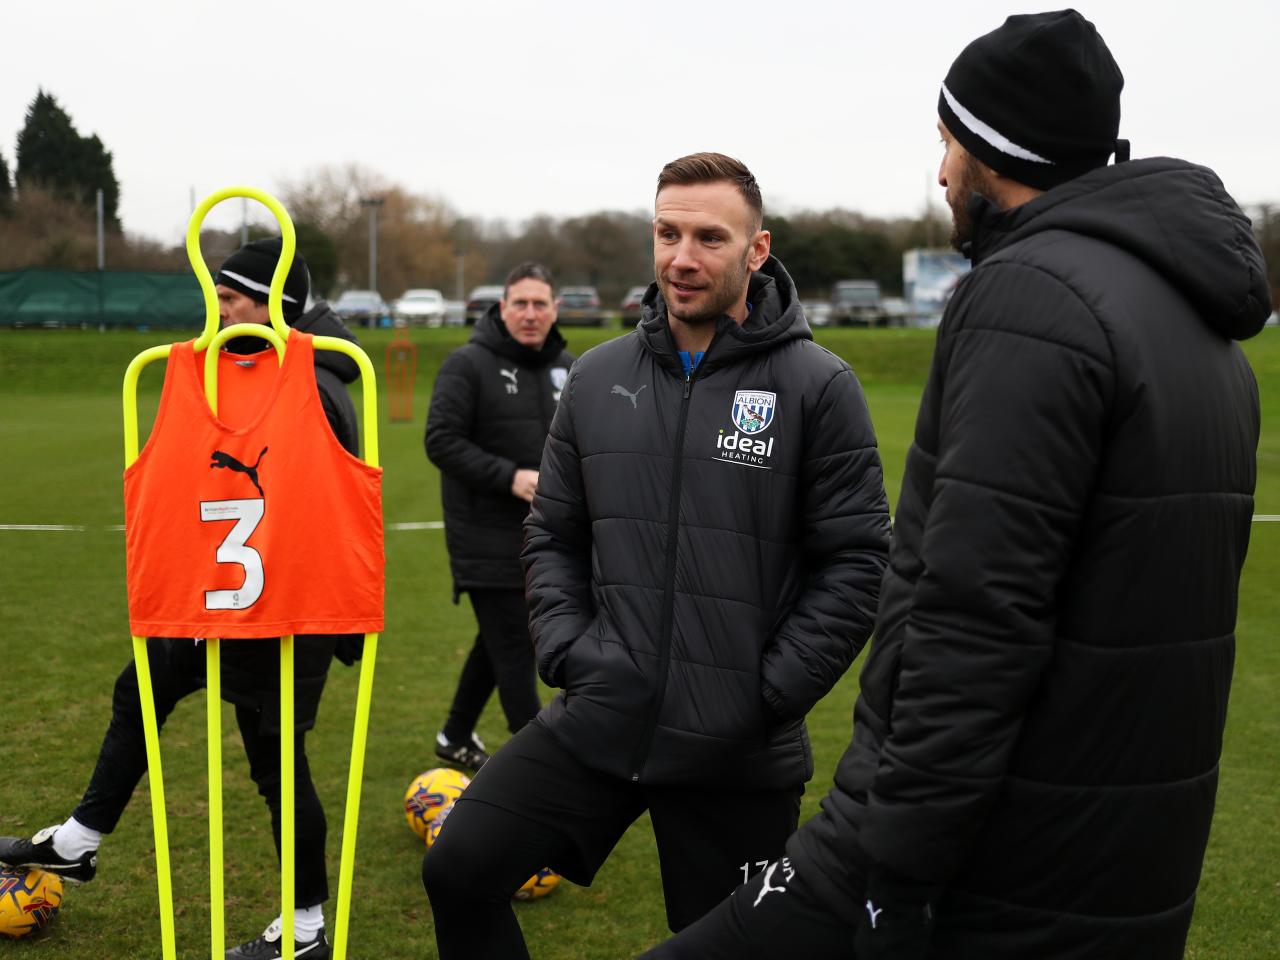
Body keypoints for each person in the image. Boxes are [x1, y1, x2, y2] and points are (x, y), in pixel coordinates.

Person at [641, 11, 1272, 960]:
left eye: (947, 142)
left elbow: (974, 619)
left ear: (993, 149)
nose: (941, 173)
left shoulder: (1032, 296)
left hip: (998, 854)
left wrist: (897, 873)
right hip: (1129, 854)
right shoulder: (1201, 323)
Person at [422, 152, 891, 959]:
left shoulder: (818, 385)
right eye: (668, 233)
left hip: (734, 745)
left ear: (757, 249)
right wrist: (569, 649)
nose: (682, 257)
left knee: (728, 948)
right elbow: (553, 532)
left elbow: (857, 562)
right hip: (603, 711)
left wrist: (765, 691)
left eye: (710, 237)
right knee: (458, 869)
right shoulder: (597, 377)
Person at [0, 238, 368, 960]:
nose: (218, 311)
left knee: (276, 765)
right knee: (144, 682)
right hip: (230, 599)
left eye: (231, 299)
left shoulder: (316, 382)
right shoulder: (255, 368)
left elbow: (306, 507)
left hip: (280, 610)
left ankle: (305, 929)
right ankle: (80, 839)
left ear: (274, 305)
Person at [425, 261, 575, 771]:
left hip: (549, 537)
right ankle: (541, 772)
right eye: (521, 304)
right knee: (515, 647)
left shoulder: (569, 367)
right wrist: (509, 477)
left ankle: (454, 734)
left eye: (540, 304)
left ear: (555, 309)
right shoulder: (467, 364)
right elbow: (440, 440)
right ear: (502, 308)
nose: (530, 314)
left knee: (497, 642)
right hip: (485, 537)